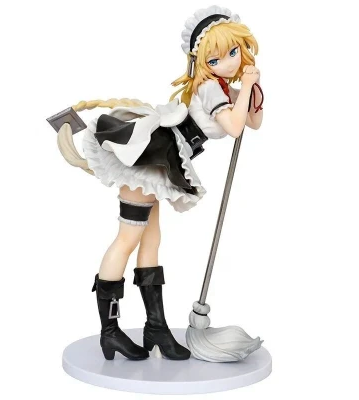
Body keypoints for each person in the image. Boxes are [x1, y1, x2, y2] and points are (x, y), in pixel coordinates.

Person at [55, 5, 263, 361]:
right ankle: (110, 332)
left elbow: (253, 122)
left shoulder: (222, 87)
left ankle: (156, 327)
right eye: (216, 59)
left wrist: (252, 87)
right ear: (202, 62)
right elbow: (234, 127)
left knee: (151, 240)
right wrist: (244, 88)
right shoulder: (210, 88)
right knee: (127, 239)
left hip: (165, 161)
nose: (228, 62)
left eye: (233, 52)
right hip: (154, 159)